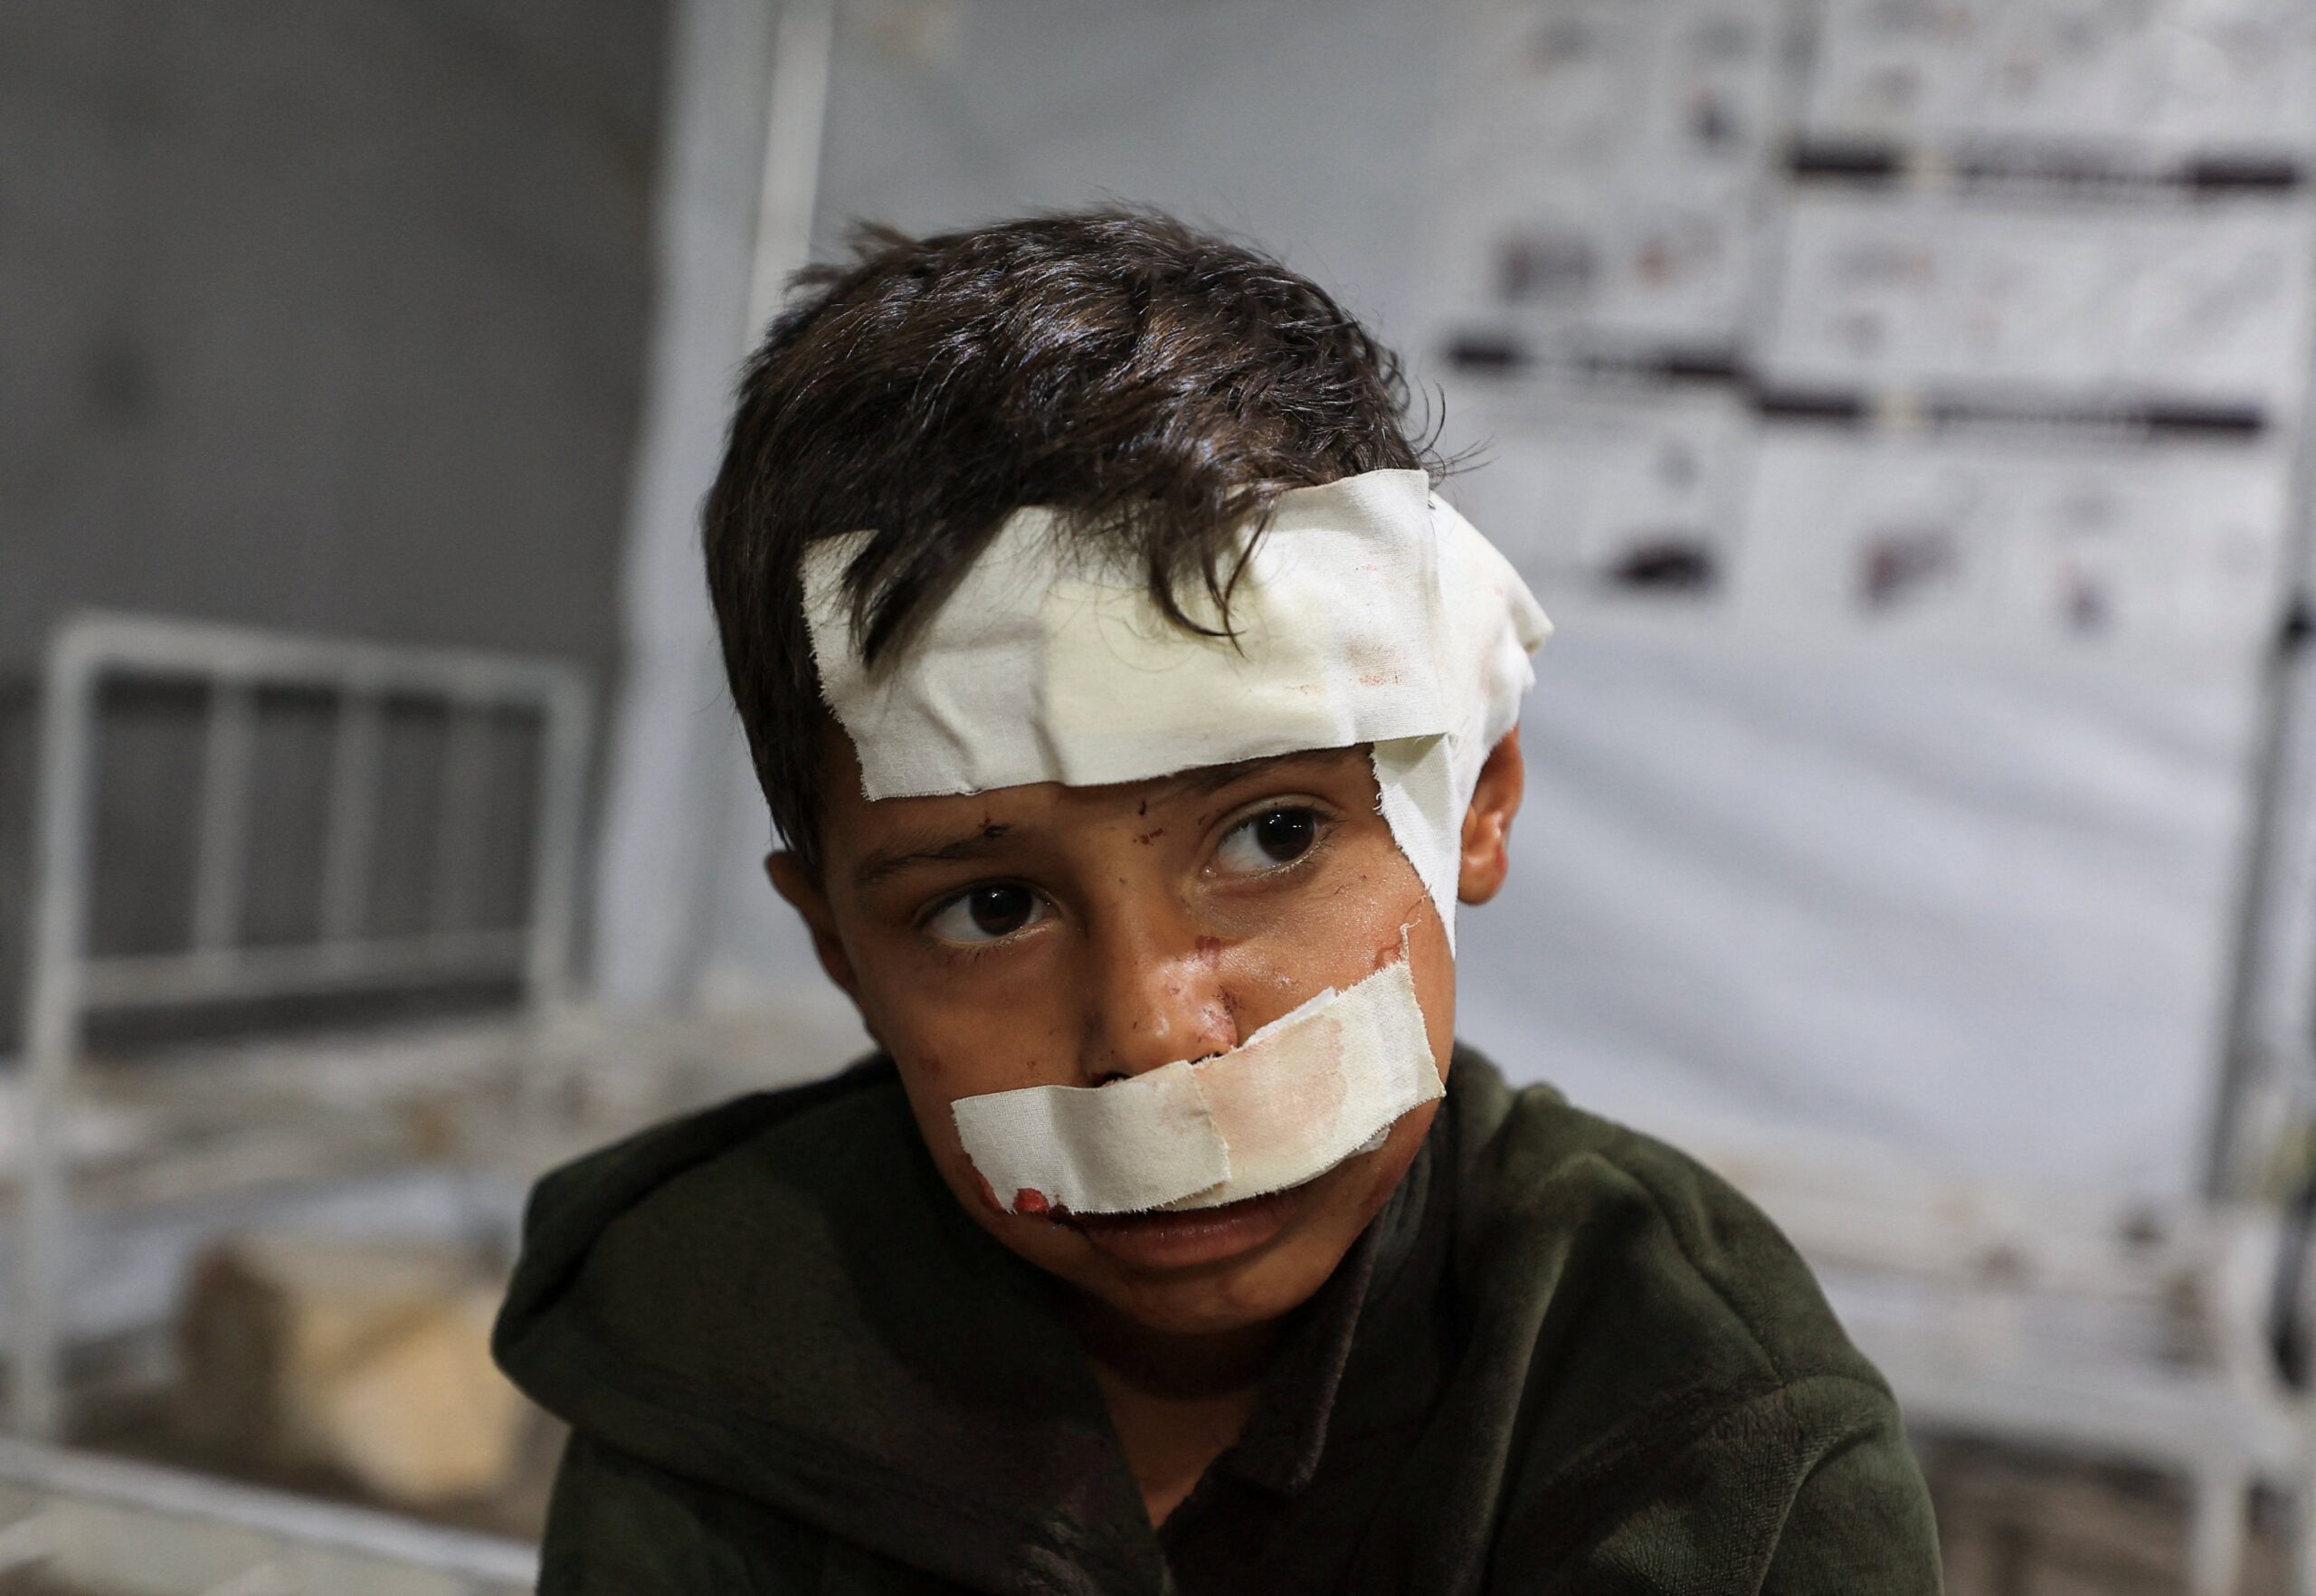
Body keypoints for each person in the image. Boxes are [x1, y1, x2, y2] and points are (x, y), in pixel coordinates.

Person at [493, 210, 1942, 1594]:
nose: (1156, 1032)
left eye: (1274, 835)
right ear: (837, 949)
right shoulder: (716, 1338)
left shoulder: (1698, 1424)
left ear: (1479, 806)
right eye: (992, 908)